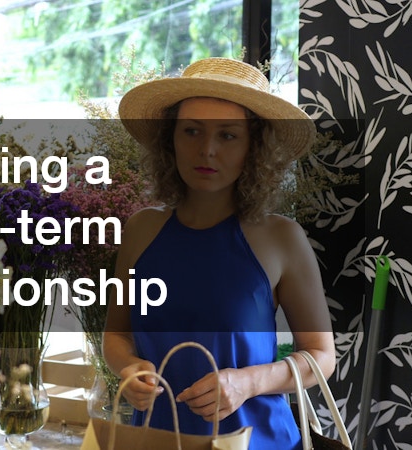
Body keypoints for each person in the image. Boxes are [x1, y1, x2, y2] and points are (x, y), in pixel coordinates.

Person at [103, 57, 336, 449]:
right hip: (157, 440)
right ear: (170, 139)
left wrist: (248, 382)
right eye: (191, 131)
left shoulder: (282, 238)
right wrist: (128, 368)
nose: (206, 150)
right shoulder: (141, 231)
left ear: (254, 148)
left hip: (260, 442)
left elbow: (322, 356)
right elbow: (116, 335)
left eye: (228, 135)